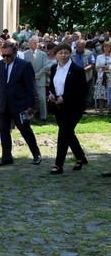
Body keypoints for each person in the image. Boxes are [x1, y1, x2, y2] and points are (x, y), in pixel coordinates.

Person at [0, 43, 42, 166]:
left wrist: (30, 105)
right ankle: (6, 156)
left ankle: (36, 154)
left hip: (20, 104)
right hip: (4, 104)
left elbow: (30, 86)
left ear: (15, 54)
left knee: (25, 130)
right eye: (3, 55)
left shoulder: (24, 65)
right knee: (4, 131)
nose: (5, 58)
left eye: (8, 56)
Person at [48, 43, 88, 174]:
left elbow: (82, 90)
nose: (63, 55)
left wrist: (65, 97)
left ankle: (58, 165)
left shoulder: (77, 70)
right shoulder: (54, 68)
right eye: (61, 53)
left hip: (74, 106)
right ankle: (80, 157)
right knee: (68, 133)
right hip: (59, 106)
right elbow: (53, 86)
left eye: (66, 53)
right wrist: (51, 95)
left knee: (63, 133)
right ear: (56, 54)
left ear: (70, 54)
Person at [23, 36, 51, 120]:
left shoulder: (43, 54)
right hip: (28, 79)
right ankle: (28, 117)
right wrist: (31, 77)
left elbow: (46, 66)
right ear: (30, 43)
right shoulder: (25, 54)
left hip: (40, 79)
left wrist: (37, 76)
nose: (37, 44)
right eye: (34, 42)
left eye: (37, 42)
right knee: (28, 98)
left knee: (42, 98)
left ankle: (43, 117)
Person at [94, 42, 111, 112]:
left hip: (110, 77)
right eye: (105, 47)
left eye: (108, 47)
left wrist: (108, 67)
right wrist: (102, 68)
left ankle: (110, 109)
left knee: (110, 93)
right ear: (103, 48)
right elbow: (97, 67)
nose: (106, 48)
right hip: (101, 77)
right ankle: (101, 110)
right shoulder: (99, 56)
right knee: (101, 94)